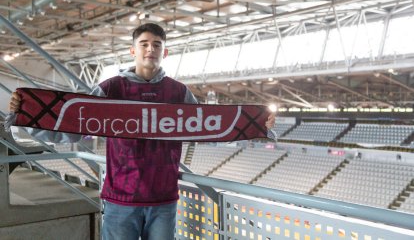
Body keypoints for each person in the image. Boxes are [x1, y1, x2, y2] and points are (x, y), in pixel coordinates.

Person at [8, 23, 276, 240]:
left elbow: (209, 129)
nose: (150, 49)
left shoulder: (179, 92)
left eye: (157, 45)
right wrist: (26, 116)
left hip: (163, 201)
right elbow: (75, 126)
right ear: (132, 50)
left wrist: (257, 125)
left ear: (165, 52)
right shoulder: (111, 89)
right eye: (144, 44)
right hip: (120, 201)